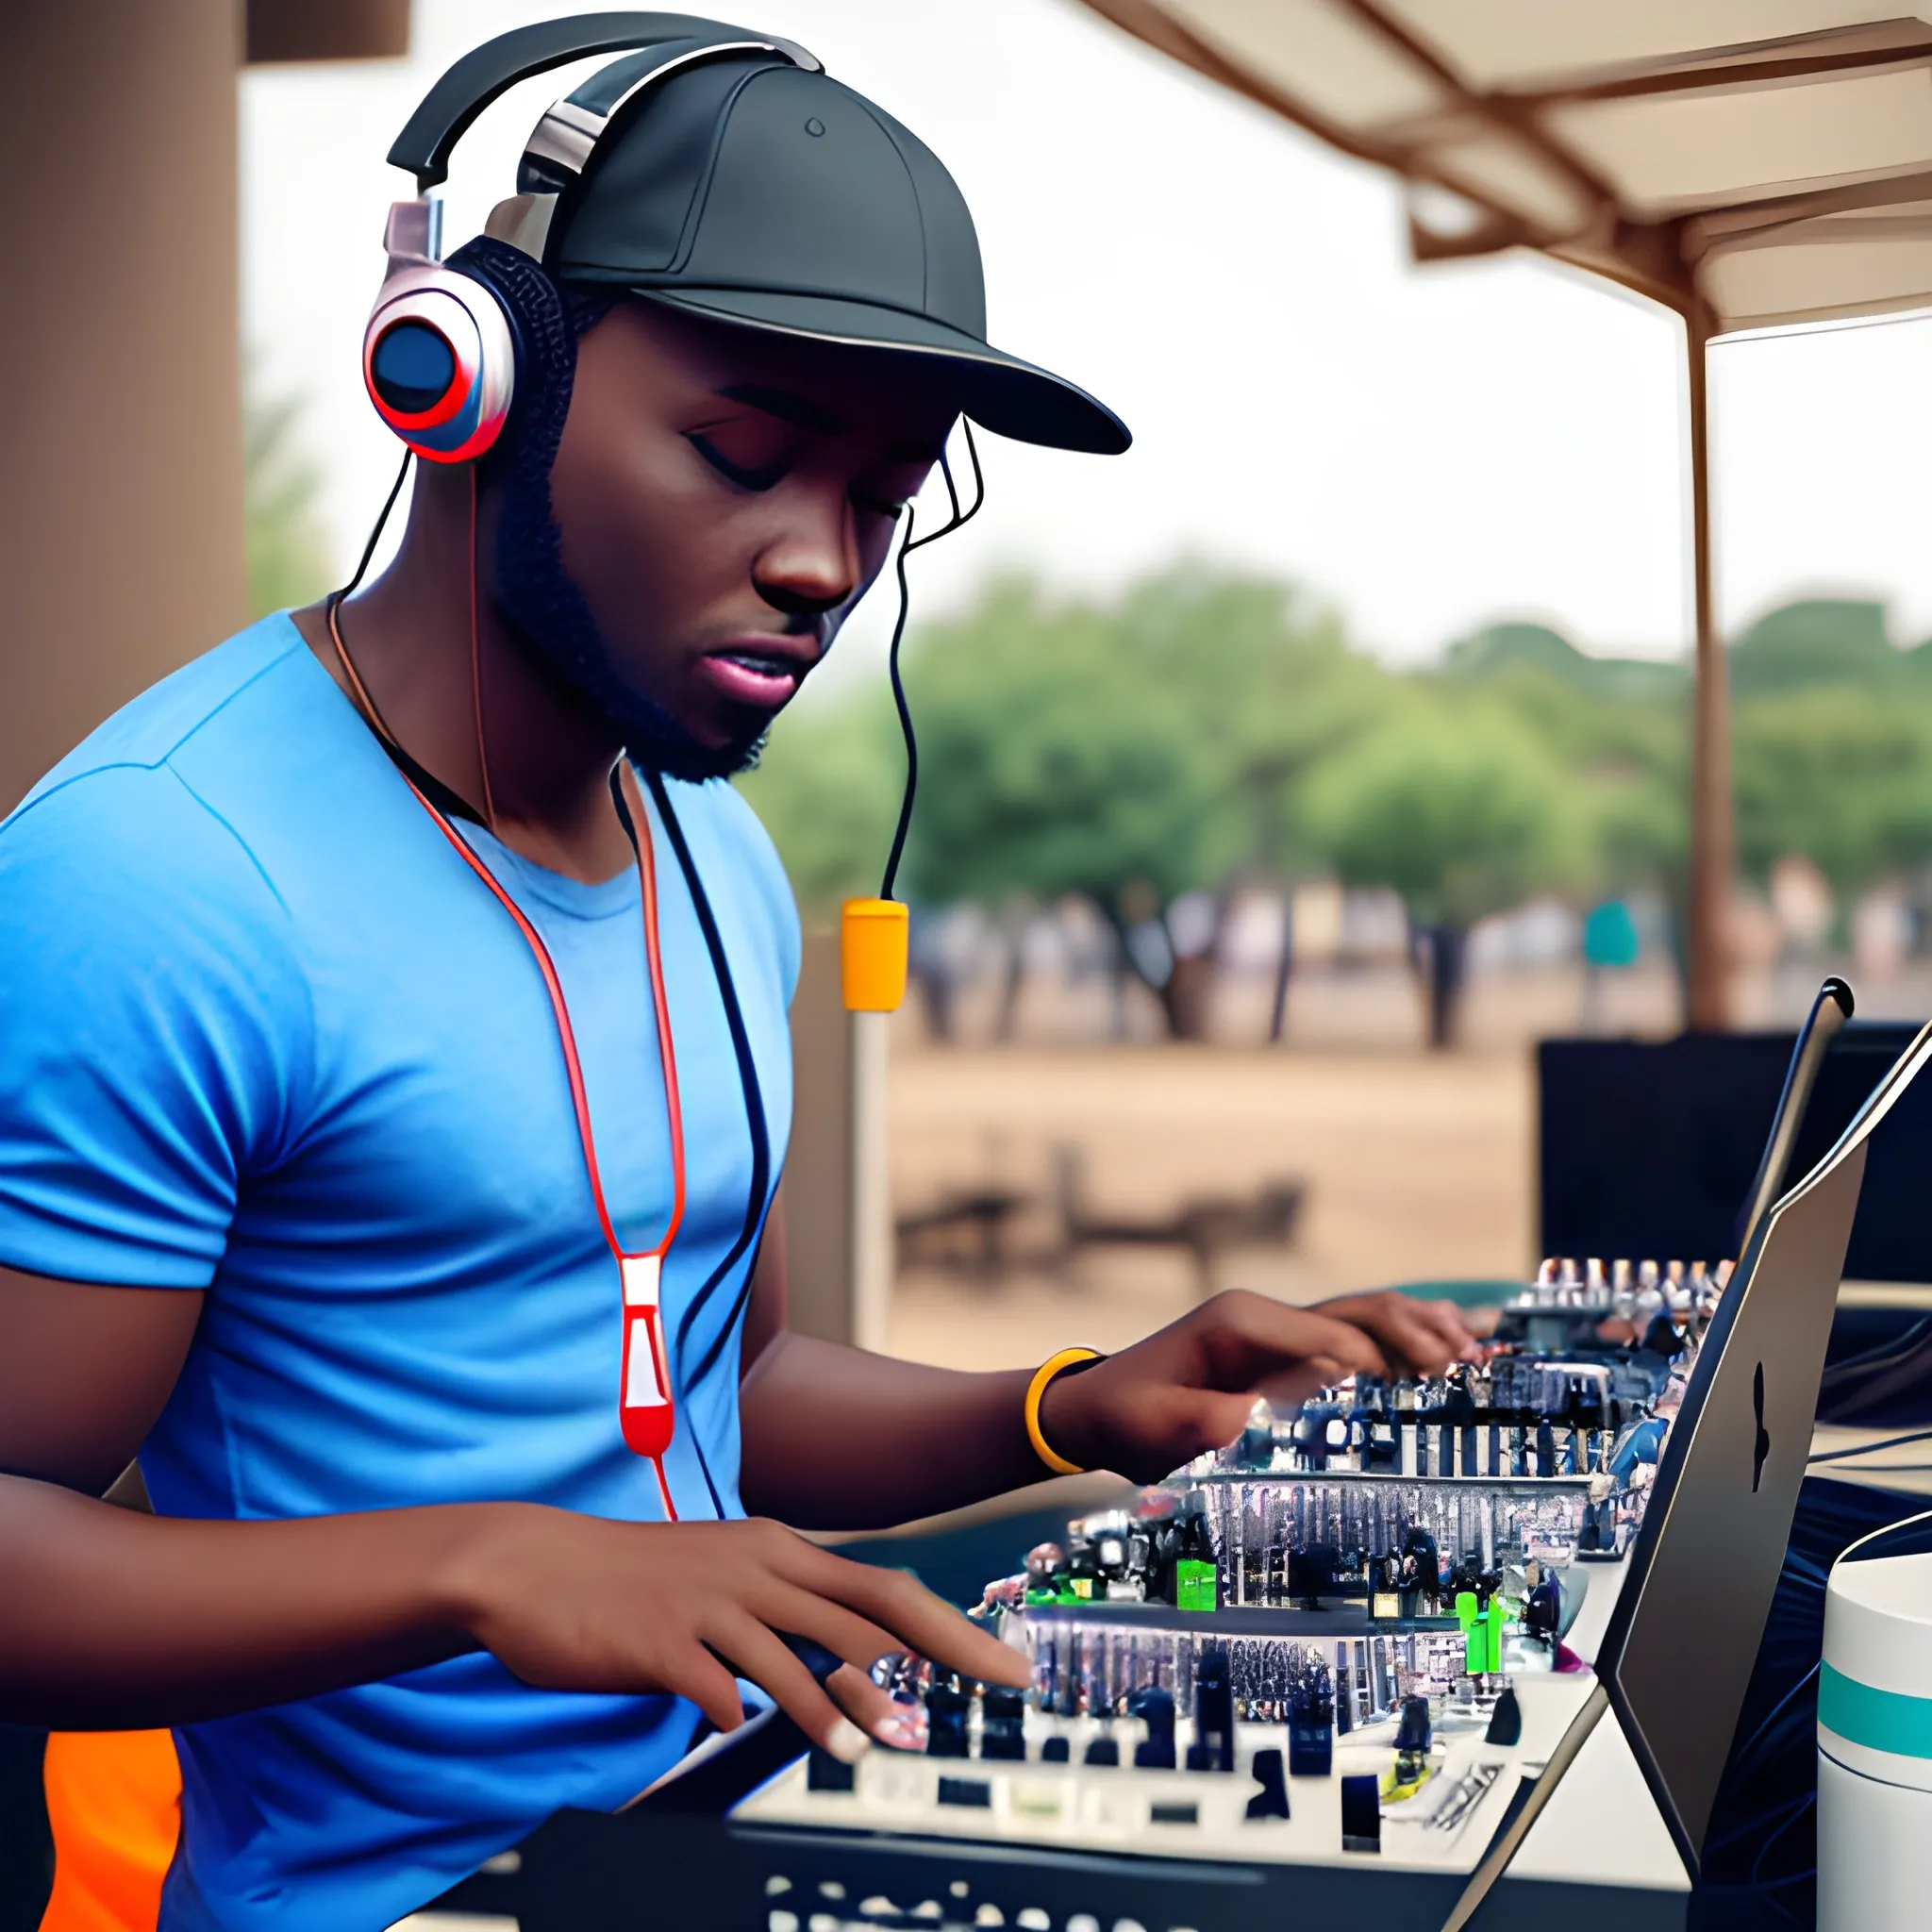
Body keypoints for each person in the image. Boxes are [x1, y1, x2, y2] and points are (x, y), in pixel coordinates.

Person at [0, 22, 1476, 1931]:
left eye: (883, 495)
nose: (822, 562)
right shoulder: (159, 872)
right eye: (747, 451)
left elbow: (726, 1381)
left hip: (723, 1835)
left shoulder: (718, 852)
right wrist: (484, 1567)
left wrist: (1066, 1403)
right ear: (469, 382)